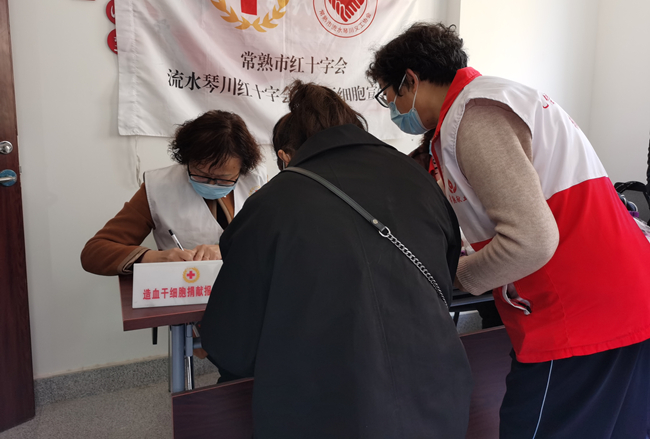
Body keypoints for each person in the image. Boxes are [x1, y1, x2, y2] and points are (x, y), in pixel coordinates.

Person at [367, 22, 650, 439]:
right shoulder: (498, 100)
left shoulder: (474, 116)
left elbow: (531, 240)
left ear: (410, 79)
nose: (392, 108)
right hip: (624, 303)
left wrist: (454, 276)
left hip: (578, 316)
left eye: (389, 95)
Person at [200, 81, 473, 439]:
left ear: (288, 154)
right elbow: (443, 277)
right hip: (437, 389)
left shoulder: (271, 204)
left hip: (324, 409)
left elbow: (231, 344)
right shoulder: (417, 179)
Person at [81, 110, 265, 275]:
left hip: (247, 290)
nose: (211, 183)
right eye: (200, 174)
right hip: (186, 291)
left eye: (223, 179)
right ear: (186, 160)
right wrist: (152, 258)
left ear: (242, 169)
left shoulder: (257, 183)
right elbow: (94, 252)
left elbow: (273, 244)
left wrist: (227, 250)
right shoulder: (159, 187)